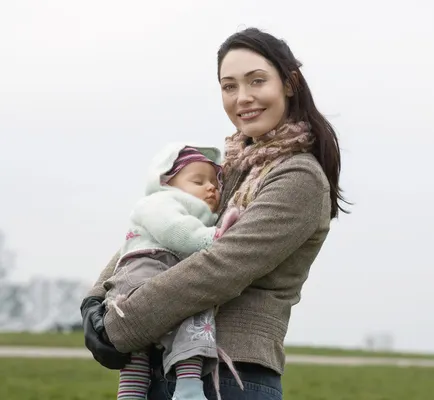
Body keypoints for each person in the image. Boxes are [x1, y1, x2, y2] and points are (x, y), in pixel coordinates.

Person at [81, 27, 349, 400]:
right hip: (168, 366)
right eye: (229, 86)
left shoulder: (298, 176)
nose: (243, 98)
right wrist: (94, 300)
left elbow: (221, 266)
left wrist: (122, 324)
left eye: (257, 81)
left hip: (230, 377)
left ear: (289, 84)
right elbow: (157, 225)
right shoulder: (230, 169)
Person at [101, 143, 242, 400]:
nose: (211, 187)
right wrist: (214, 237)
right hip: (146, 266)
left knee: (167, 330)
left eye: (214, 182)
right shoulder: (158, 202)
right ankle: (178, 388)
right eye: (198, 180)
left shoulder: (201, 214)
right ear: (165, 182)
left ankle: (179, 388)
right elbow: (176, 232)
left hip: (165, 267)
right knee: (172, 319)